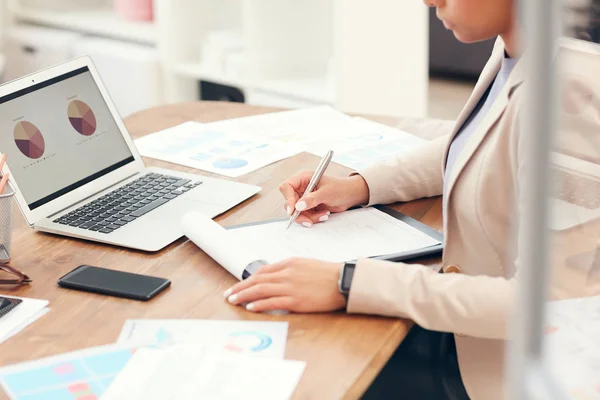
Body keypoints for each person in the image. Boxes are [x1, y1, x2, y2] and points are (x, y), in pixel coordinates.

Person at [222, 1, 553, 399]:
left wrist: (347, 282)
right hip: (467, 328)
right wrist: (359, 186)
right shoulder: (517, 48)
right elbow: (478, 143)